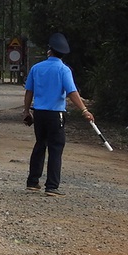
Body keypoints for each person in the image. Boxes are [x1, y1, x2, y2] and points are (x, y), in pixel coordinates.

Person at [22, 33, 94, 196]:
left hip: (39, 113)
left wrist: (26, 111)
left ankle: (33, 182)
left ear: (50, 51)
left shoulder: (37, 68)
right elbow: (72, 92)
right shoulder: (64, 70)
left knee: (40, 144)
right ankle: (52, 186)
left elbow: (29, 92)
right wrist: (84, 110)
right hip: (56, 115)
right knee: (56, 148)